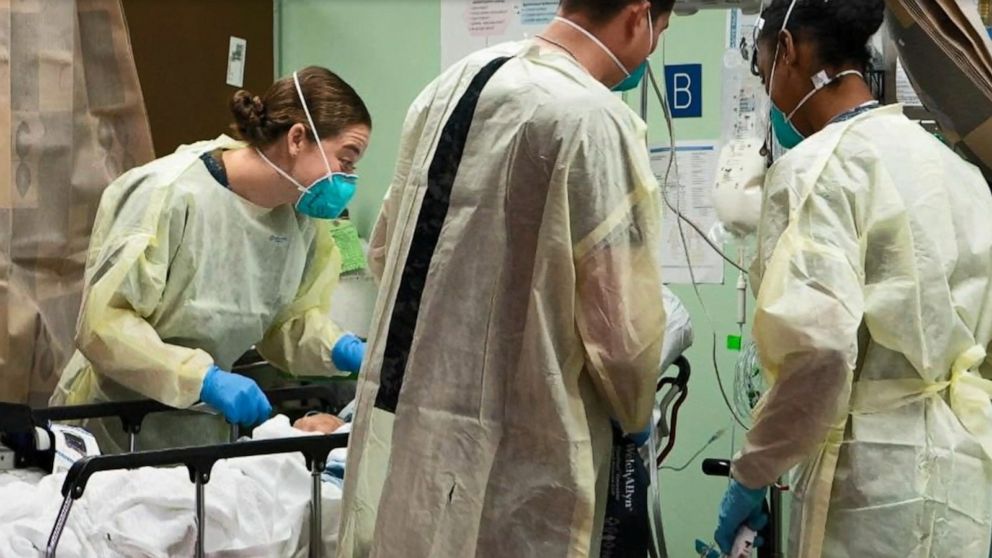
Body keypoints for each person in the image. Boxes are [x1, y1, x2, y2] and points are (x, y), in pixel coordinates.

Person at [337, 1, 673, 556]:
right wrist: (636, 414)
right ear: (639, 15)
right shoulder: (593, 118)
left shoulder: (447, 87)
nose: (651, 50)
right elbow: (621, 335)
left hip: (415, 429)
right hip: (528, 448)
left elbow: (385, 250)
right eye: (660, 30)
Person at [712, 1, 992, 557]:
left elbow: (818, 353)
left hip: (870, 487)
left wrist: (754, 471)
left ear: (788, 51)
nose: (771, 97)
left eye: (764, 74)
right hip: (966, 479)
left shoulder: (815, 171)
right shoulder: (957, 171)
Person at [50, 66, 373, 452]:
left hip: (202, 436)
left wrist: (343, 349)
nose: (349, 178)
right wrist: (202, 378)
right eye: (346, 160)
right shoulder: (167, 194)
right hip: (113, 427)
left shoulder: (300, 221)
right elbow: (105, 325)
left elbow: (287, 324)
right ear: (297, 138)